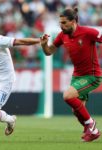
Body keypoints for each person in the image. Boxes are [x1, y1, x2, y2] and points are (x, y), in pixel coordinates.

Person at [40, 7, 102, 142]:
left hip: (92, 76)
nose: (61, 26)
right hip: (77, 76)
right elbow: (49, 52)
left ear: (73, 21)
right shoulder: (62, 35)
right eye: (60, 23)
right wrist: (44, 45)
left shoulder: (88, 32)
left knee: (67, 95)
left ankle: (91, 125)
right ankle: (93, 131)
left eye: (64, 23)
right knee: (77, 111)